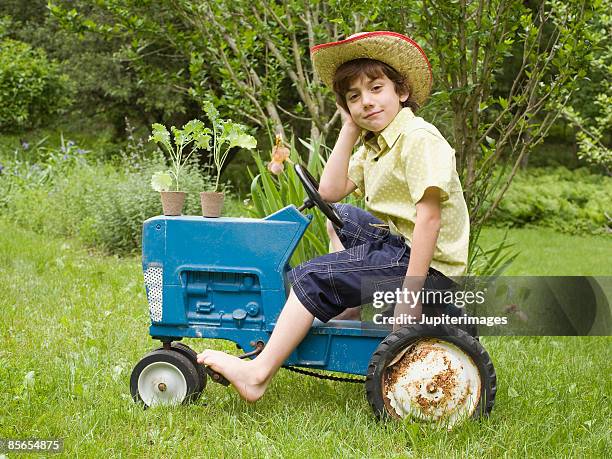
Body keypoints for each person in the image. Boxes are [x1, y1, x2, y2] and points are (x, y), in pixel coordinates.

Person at [197, 31, 470, 402]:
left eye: (376, 88)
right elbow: (328, 192)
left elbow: (430, 220)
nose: (367, 102)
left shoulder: (418, 138)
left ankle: (256, 375)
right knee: (340, 215)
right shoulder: (376, 144)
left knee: (313, 275)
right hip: (400, 247)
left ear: (401, 91)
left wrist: (410, 295)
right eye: (354, 97)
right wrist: (349, 127)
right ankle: (346, 311)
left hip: (429, 272)